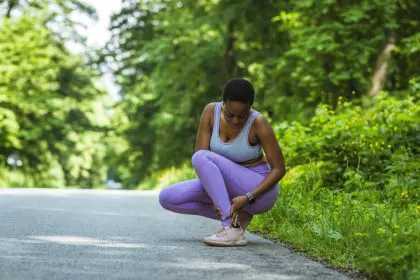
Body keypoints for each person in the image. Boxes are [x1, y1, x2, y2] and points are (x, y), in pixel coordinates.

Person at [159, 78, 286, 246]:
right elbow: (202, 160)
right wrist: (218, 196)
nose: (235, 121)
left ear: (250, 108)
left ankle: (229, 229)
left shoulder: (258, 122)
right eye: (230, 115)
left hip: (259, 193)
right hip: (229, 187)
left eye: (242, 116)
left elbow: (279, 169)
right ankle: (239, 218)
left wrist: (247, 198)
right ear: (223, 104)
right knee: (168, 198)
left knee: (200, 156)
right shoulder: (211, 111)